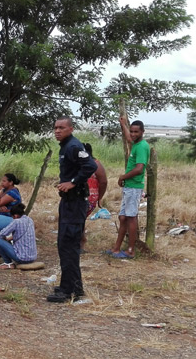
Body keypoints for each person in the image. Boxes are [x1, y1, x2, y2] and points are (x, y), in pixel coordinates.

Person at [47, 117, 97, 303]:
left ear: (71, 128)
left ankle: (71, 291)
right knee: (64, 245)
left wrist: (73, 183)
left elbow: (90, 166)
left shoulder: (73, 146)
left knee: (69, 245)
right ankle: (69, 285)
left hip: (75, 203)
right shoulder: (66, 146)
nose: (57, 131)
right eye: (55, 128)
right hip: (68, 203)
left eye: (61, 127)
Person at [105, 120, 150, 259]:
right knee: (123, 217)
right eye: (132, 131)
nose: (133, 134)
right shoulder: (136, 144)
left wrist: (122, 177)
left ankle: (131, 250)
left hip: (134, 187)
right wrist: (123, 125)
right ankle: (116, 248)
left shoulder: (142, 147)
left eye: (136, 131)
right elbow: (129, 138)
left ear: (143, 132)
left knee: (131, 217)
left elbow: (139, 168)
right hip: (129, 187)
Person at [0, 204, 37, 269]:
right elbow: (22, 234)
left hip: (22, 258)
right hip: (32, 257)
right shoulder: (30, 220)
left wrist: (4, 241)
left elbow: (2, 234)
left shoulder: (16, 222)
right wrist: (9, 239)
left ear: (15, 216)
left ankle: (8, 263)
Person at [81, 143, 108, 251]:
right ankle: (80, 241)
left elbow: (104, 181)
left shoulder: (94, 164)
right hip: (85, 196)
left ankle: (81, 242)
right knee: (79, 220)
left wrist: (99, 198)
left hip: (88, 197)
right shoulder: (80, 163)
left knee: (79, 219)